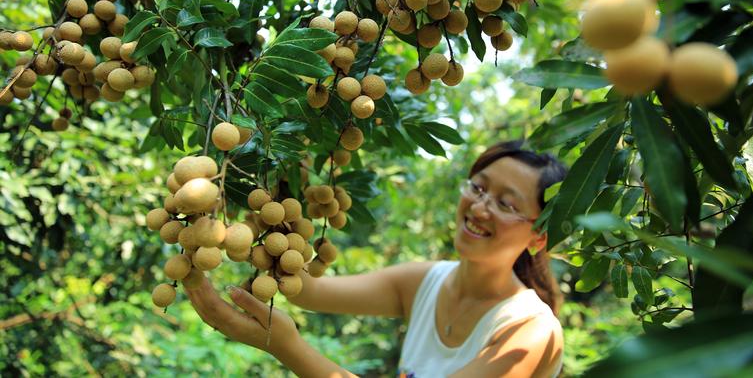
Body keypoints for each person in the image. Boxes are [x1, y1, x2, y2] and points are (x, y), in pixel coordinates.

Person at [186, 140, 567, 377]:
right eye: (478, 188)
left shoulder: (531, 332)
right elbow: (307, 290)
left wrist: (285, 346)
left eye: (505, 203)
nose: (480, 207)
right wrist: (279, 195)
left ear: (539, 235)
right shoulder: (425, 282)